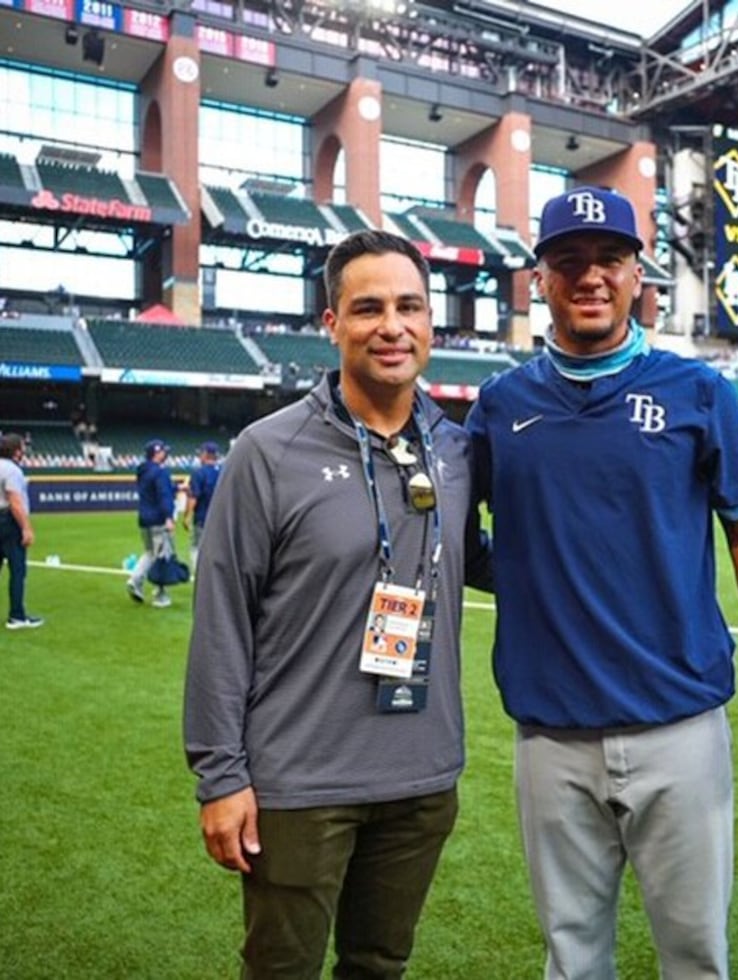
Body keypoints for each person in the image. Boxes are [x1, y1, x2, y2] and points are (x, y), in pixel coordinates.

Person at [465, 185, 738, 980]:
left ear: (637, 276)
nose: (591, 276)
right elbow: (457, 540)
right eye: (569, 262)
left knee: (695, 956)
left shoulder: (698, 392)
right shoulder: (499, 405)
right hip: (550, 733)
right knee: (573, 957)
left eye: (609, 261)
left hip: (680, 725)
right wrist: (526, 577)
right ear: (541, 281)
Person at [183, 229, 492, 979]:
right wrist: (221, 776)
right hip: (301, 782)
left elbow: (495, 563)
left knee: (380, 965)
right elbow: (222, 618)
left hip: (422, 777)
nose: (392, 326)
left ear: (431, 323)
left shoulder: (456, 452)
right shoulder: (268, 450)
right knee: (281, 971)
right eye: (369, 308)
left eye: (410, 307)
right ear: (333, 325)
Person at [0, 432, 43, 630]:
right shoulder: (12, 470)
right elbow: (15, 501)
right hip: (8, 521)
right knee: (17, 570)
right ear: (16, 451)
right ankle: (17, 615)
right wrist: (26, 528)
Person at [126, 438, 176, 608]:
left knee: (149, 553)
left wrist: (177, 488)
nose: (165, 453)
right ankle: (160, 596)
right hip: (158, 519)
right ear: (157, 453)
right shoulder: (161, 472)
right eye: (163, 451)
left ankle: (135, 580)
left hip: (144, 518)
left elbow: (157, 489)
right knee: (162, 556)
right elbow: (163, 495)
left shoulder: (143, 470)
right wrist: (169, 517)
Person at [181, 440, 222, 575]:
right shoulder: (224, 471)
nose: (199, 456)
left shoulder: (199, 473)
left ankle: (201, 578)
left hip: (202, 517)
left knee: (196, 548)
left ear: (206, 454)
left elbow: (194, 497)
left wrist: (187, 516)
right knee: (218, 550)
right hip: (220, 518)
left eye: (201, 453)